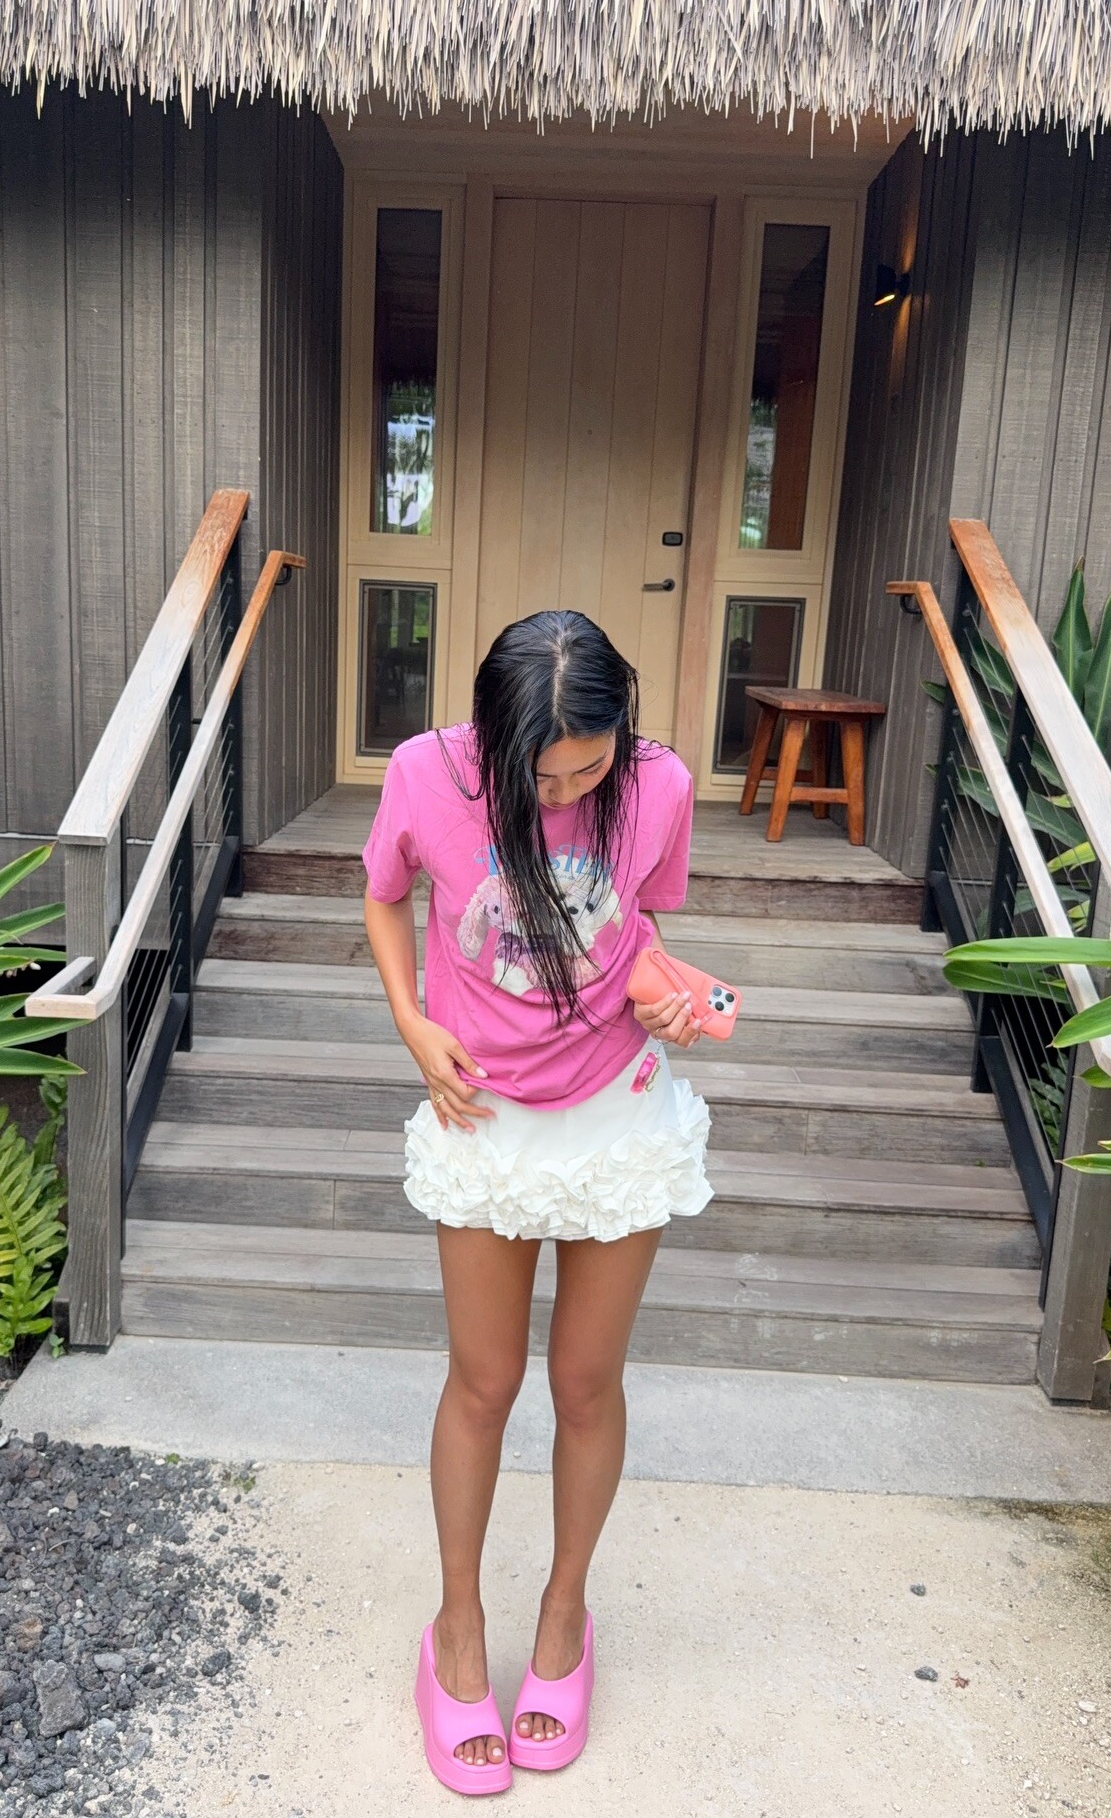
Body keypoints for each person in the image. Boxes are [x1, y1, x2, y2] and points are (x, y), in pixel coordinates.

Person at [361, 609, 713, 1794]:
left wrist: (665, 995)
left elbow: (639, 928)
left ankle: (565, 1618)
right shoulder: (427, 773)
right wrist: (413, 1024)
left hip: (618, 1107)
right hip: (481, 1114)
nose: (564, 793)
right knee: (483, 1382)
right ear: (491, 739)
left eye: (587, 769)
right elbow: (384, 896)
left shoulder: (660, 786)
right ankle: (456, 1632)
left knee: (586, 1385)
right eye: (541, 775)